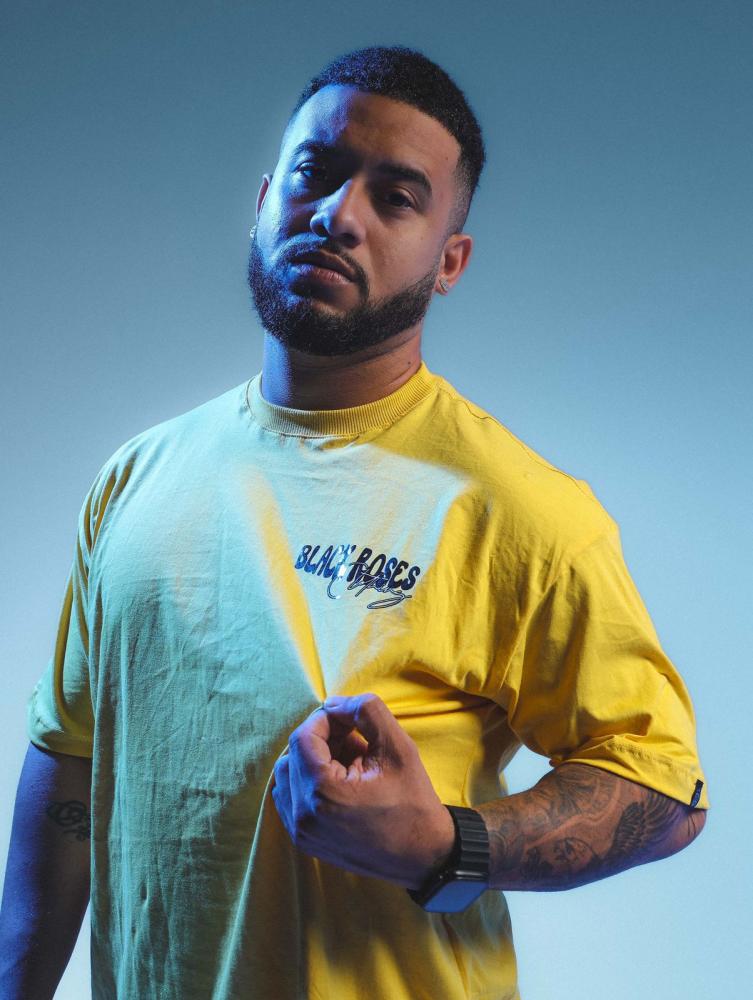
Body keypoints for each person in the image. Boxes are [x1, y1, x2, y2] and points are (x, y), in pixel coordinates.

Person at [0, 44, 708, 1000]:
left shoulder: (516, 508)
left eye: (397, 197)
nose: (339, 214)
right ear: (264, 200)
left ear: (449, 261)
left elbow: (662, 789)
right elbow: (71, 767)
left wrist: (447, 845)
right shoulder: (136, 478)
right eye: (315, 171)